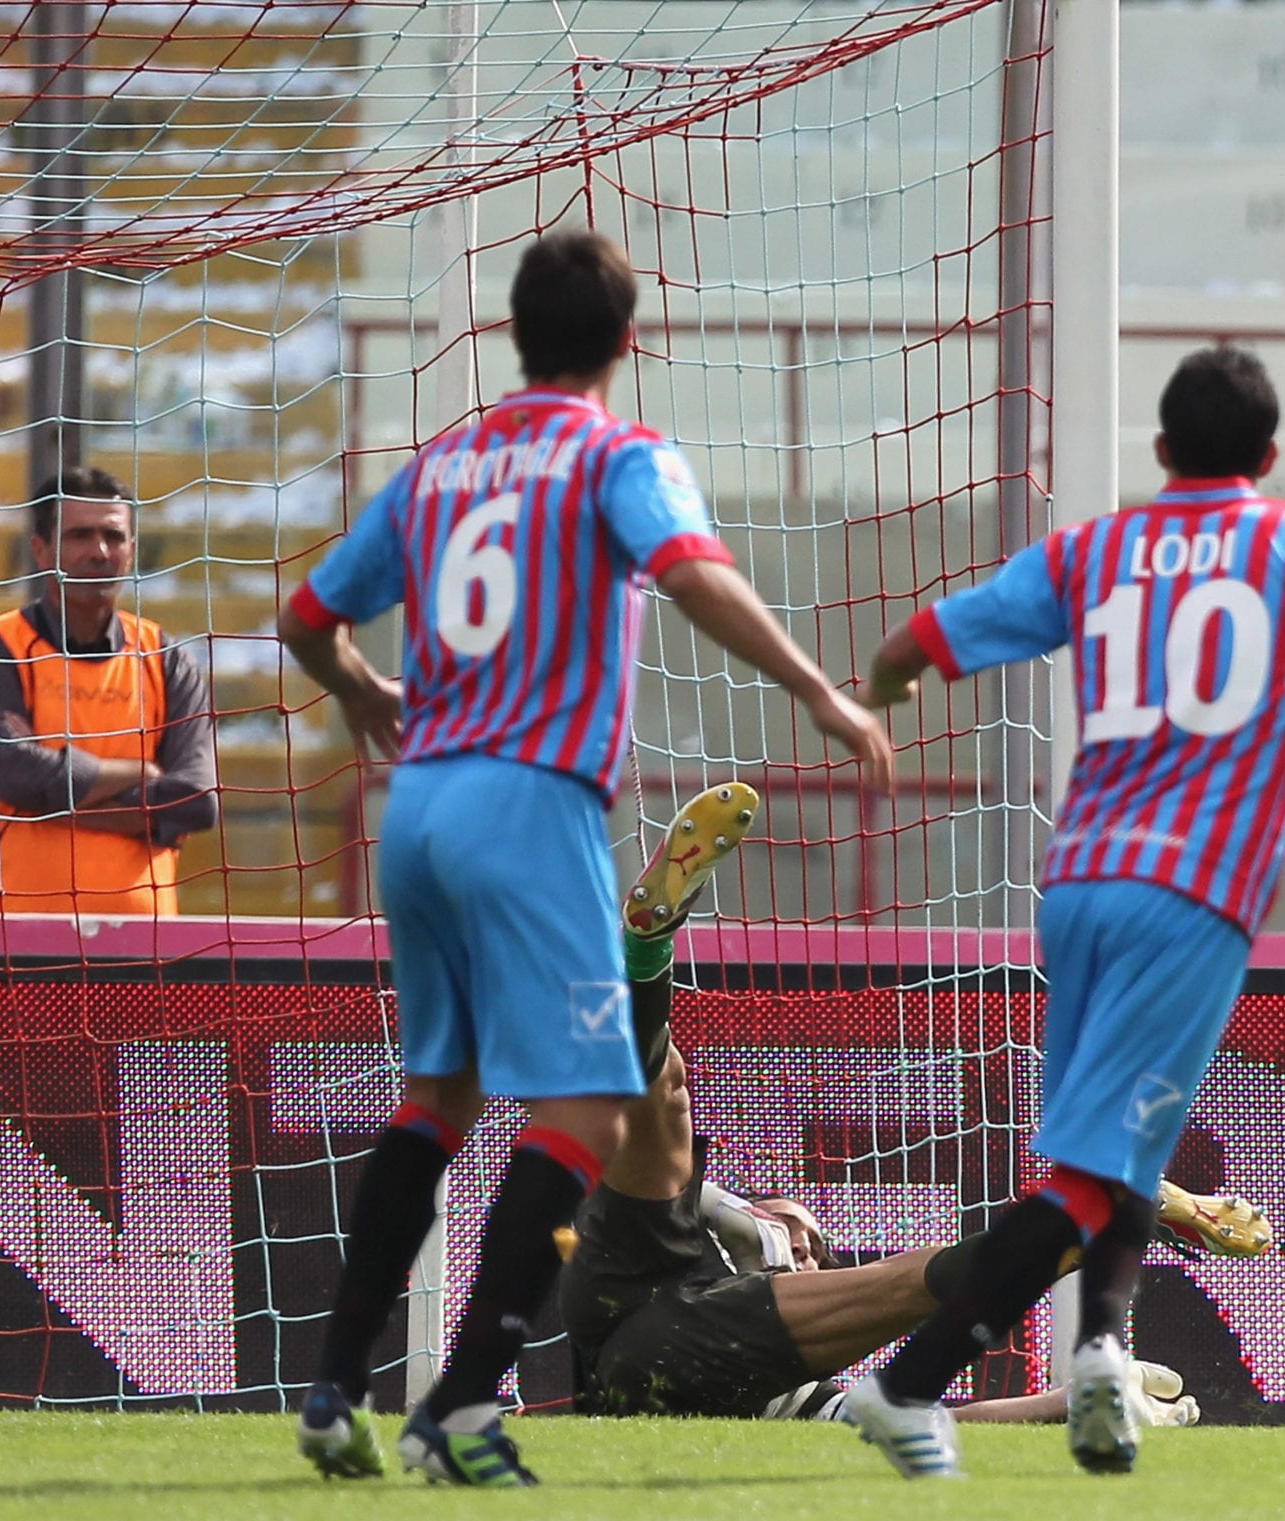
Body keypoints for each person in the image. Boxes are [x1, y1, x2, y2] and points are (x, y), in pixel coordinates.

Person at [280, 228, 893, 1488]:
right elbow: (690, 573)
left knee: (435, 1098)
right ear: (628, 341)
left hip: (419, 805)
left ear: (513, 333)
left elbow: (305, 617)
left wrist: (356, 692)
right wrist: (821, 694)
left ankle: (336, 1387)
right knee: (590, 1106)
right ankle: (457, 1404)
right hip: (527, 804)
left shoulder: (440, 463)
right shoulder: (618, 452)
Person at [844, 345, 1285, 1479]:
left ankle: (1093, 1357)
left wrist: (879, 694)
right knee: (1087, 1172)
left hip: (1077, 884)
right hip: (1188, 897)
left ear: (1161, 451)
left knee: (1120, 1147)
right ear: (1269, 459)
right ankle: (903, 1389)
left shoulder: (1095, 550)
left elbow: (915, 647)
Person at [562, 840, 1268, 1430]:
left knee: (887, 1292)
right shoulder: (699, 1235)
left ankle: (644, 953)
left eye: (812, 1251)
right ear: (761, 1211)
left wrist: (1071, 1400)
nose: (807, 1253)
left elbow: (923, 1419)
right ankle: (646, 950)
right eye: (800, 1237)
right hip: (640, 1283)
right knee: (664, 1095)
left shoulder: (788, 1381)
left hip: (668, 1364)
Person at [0, 466, 218, 916]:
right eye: (79, 536)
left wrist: (56, 807)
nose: (98, 551)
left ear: (132, 550)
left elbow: (197, 802)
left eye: (113, 537)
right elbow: (17, 775)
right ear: (40, 550)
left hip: (143, 948)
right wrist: (143, 773)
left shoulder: (166, 659)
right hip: (1, 943)